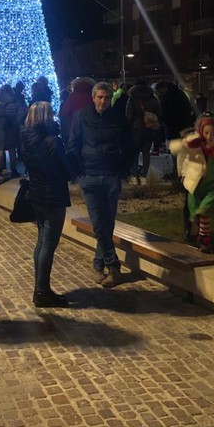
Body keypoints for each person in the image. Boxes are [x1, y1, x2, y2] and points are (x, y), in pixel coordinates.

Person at [67, 82, 132, 288]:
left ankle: (98, 264)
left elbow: (128, 145)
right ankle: (114, 267)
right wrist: (79, 172)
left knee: (107, 223)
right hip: (90, 176)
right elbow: (73, 144)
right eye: (100, 97)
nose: (103, 101)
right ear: (93, 97)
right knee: (98, 224)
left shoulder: (118, 118)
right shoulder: (81, 116)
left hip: (111, 176)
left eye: (106, 97)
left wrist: (122, 169)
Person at [21, 102, 74, 307]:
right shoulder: (52, 141)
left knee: (42, 241)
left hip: (36, 193)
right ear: (46, 116)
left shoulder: (28, 139)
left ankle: (40, 287)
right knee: (48, 244)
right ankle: (42, 291)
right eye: (51, 113)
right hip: (53, 195)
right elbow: (67, 170)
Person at [171, 115, 214, 253]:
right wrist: (186, 143)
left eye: (213, 133)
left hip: (212, 187)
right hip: (196, 186)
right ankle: (203, 237)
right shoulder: (196, 145)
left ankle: (204, 240)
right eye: (207, 133)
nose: (210, 136)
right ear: (201, 132)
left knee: (204, 212)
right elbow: (175, 150)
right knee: (198, 214)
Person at [125, 79, 162, 185]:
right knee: (146, 153)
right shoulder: (153, 98)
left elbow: (129, 115)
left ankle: (135, 177)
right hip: (149, 128)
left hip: (136, 129)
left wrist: (127, 128)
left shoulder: (132, 99)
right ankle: (144, 177)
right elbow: (159, 112)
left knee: (134, 153)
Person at [59, 77, 95, 145]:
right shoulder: (93, 96)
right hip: (91, 126)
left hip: (75, 126)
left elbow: (65, 112)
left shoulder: (72, 96)